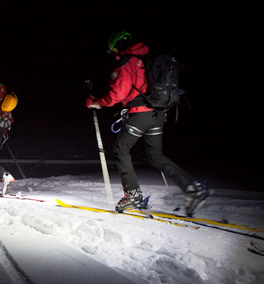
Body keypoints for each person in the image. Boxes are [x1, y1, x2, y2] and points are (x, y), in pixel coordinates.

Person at [85, 30, 208, 216]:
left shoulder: (127, 61)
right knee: (155, 156)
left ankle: (132, 194)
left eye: (114, 50)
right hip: (157, 114)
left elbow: (117, 94)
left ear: (119, 45)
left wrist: (96, 102)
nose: (115, 54)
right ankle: (192, 187)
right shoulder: (147, 58)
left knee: (121, 150)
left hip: (140, 115)